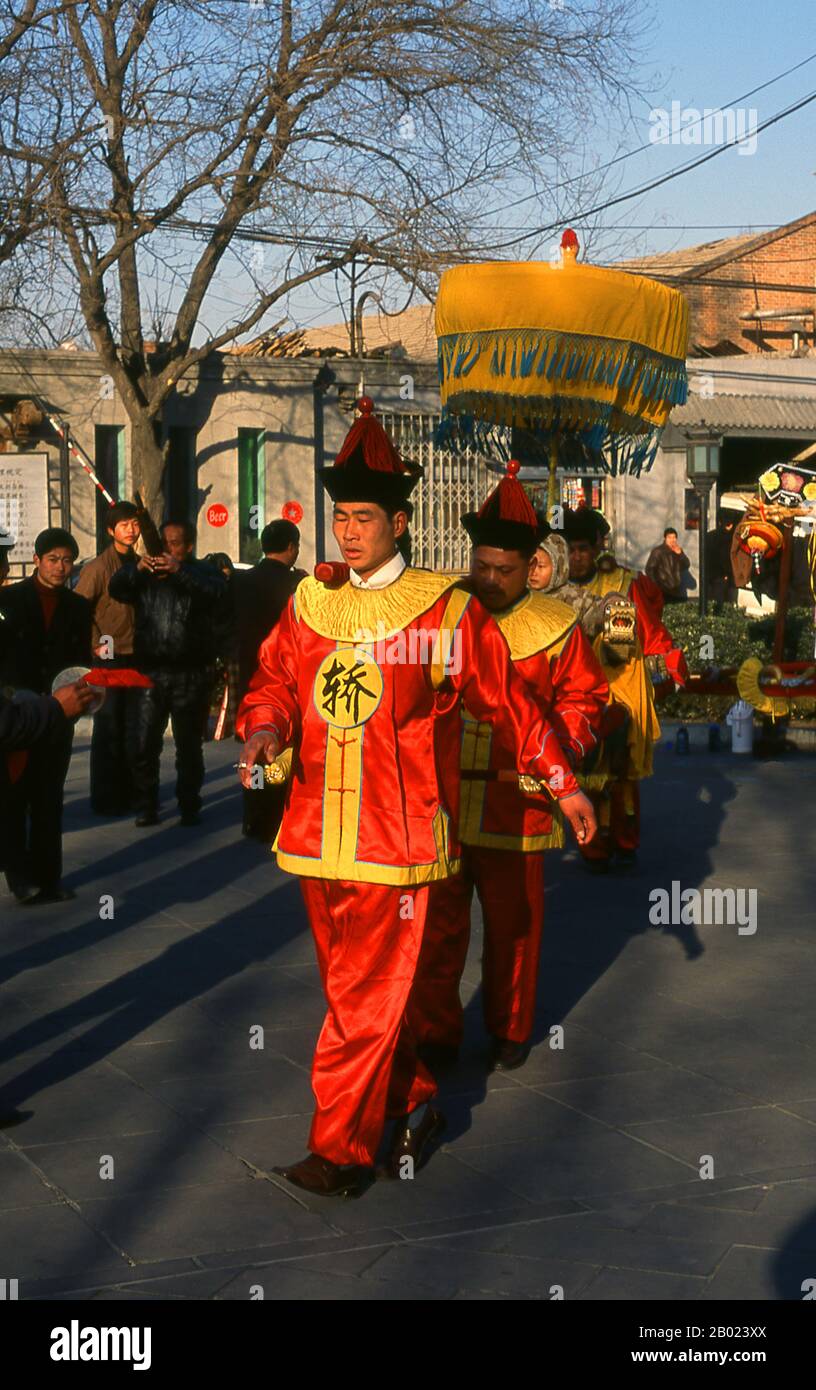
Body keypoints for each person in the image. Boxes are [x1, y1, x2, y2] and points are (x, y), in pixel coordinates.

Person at [236, 397, 596, 1197]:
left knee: (362, 1001)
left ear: (400, 521)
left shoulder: (444, 610)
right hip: (314, 834)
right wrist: (263, 727)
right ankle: (418, 1100)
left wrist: (564, 786)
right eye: (340, 516)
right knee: (355, 995)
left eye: (364, 516)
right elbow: (273, 683)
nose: (348, 531)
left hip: (398, 844)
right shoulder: (309, 604)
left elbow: (509, 705)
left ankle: (341, 1148)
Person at [410, 465, 608, 1072]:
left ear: (532, 567)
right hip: (439, 799)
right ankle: (437, 1034)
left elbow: (585, 699)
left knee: (513, 927)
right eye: (482, 566)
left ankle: (510, 1027)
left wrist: (565, 749)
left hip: (518, 803)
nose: (489, 580)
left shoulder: (556, 627)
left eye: (504, 570)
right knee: (437, 930)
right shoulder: (443, 616)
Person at [562, 506, 688, 871]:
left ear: (598, 547)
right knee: (587, 774)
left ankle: (624, 840)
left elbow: (650, 628)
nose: (576, 556)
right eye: (570, 549)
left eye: (583, 548)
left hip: (624, 689)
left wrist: (668, 659)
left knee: (623, 775)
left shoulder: (625, 582)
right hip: (581, 692)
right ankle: (593, 844)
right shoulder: (555, 589)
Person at [109, 520, 225, 827]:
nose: (168, 549)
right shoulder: (146, 574)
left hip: (190, 673)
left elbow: (215, 593)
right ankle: (146, 804)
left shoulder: (202, 571)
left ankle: (189, 804)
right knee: (143, 743)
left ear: (188, 546)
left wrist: (180, 570)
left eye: (175, 543)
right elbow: (117, 588)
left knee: (188, 746)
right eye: (165, 542)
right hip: (150, 671)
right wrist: (139, 569)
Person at [0, 527, 92, 904]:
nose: (60, 567)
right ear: (36, 560)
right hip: (16, 711)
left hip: (59, 712)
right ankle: (20, 878)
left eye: (67, 560)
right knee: (14, 796)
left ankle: (48, 876)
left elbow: (82, 659)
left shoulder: (78, 606)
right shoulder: (10, 599)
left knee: (49, 796)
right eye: (52, 559)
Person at [233, 521, 305, 843]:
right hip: (286, 677)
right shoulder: (300, 587)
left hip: (249, 673)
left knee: (255, 751)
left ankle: (256, 815)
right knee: (281, 752)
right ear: (291, 546)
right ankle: (278, 817)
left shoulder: (242, 581)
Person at [74, 501, 141, 814]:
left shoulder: (141, 564)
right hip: (109, 658)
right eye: (124, 524)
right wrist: (93, 645)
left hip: (136, 656)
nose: (131, 529)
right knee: (108, 727)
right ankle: (105, 797)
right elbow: (77, 611)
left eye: (134, 523)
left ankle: (130, 793)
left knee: (132, 727)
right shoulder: (98, 568)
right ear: (110, 530)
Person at [645, 527, 691, 604]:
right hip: (663, 589)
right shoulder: (658, 551)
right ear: (665, 538)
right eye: (669, 537)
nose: (672, 540)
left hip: (676, 589)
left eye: (674, 537)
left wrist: (680, 554)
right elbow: (649, 569)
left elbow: (686, 565)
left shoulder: (677, 550)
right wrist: (657, 585)